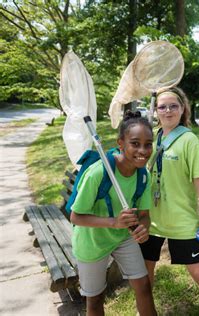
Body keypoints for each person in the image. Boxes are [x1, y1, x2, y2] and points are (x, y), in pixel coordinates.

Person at [70, 111, 156, 316]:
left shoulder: (143, 175)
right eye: (135, 143)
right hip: (92, 241)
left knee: (143, 285)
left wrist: (144, 226)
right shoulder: (99, 173)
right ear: (121, 143)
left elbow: (144, 214)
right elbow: (75, 217)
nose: (143, 150)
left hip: (122, 237)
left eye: (148, 144)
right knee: (96, 298)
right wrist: (114, 222)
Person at [139, 87, 199, 289]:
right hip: (151, 218)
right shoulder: (151, 138)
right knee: (144, 272)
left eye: (173, 106)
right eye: (162, 107)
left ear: (183, 109)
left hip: (181, 220)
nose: (168, 111)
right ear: (156, 110)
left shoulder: (189, 140)